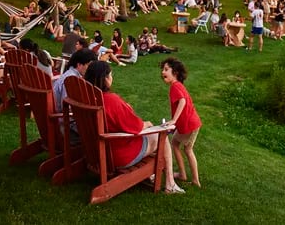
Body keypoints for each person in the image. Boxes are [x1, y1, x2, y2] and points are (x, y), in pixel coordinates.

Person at [84, 61, 184, 194]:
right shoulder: (111, 100)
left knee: (153, 137)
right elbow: (135, 127)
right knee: (162, 136)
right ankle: (170, 184)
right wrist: (148, 124)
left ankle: (151, 174)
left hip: (96, 152)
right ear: (106, 79)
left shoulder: (87, 98)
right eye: (111, 75)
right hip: (118, 155)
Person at [160, 57, 202, 188]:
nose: (163, 72)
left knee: (188, 150)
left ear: (175, 73)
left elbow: (183, 101)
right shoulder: (176, 86)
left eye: (166, 69)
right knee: (175, 143)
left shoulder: (175, 86)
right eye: (162, 69)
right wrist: (174, 125)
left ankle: (195, 180)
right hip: (186, 124)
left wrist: (173, 120)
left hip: (190, 124)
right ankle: (183, 174)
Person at [53, 47, 97, 113]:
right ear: (79, 64)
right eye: (89, 65)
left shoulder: (70, 75)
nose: (91, 69)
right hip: (64, 119)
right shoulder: (71, 80)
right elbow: (66, 107)